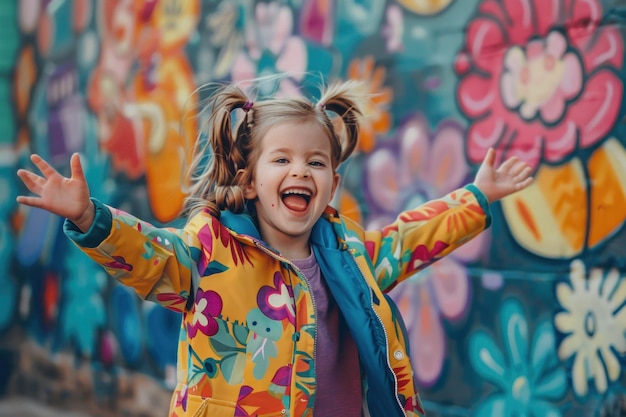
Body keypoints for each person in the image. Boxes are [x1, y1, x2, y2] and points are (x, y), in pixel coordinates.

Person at [16, 80, 533, 417]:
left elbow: (409, 239)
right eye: (281, 159)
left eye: (315, 162)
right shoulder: (211, 248)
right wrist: (88, 218)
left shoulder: (350, 256)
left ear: (331, 182)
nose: (300, 172)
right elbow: (152, 256)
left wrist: (477, 198)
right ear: (247, 180)